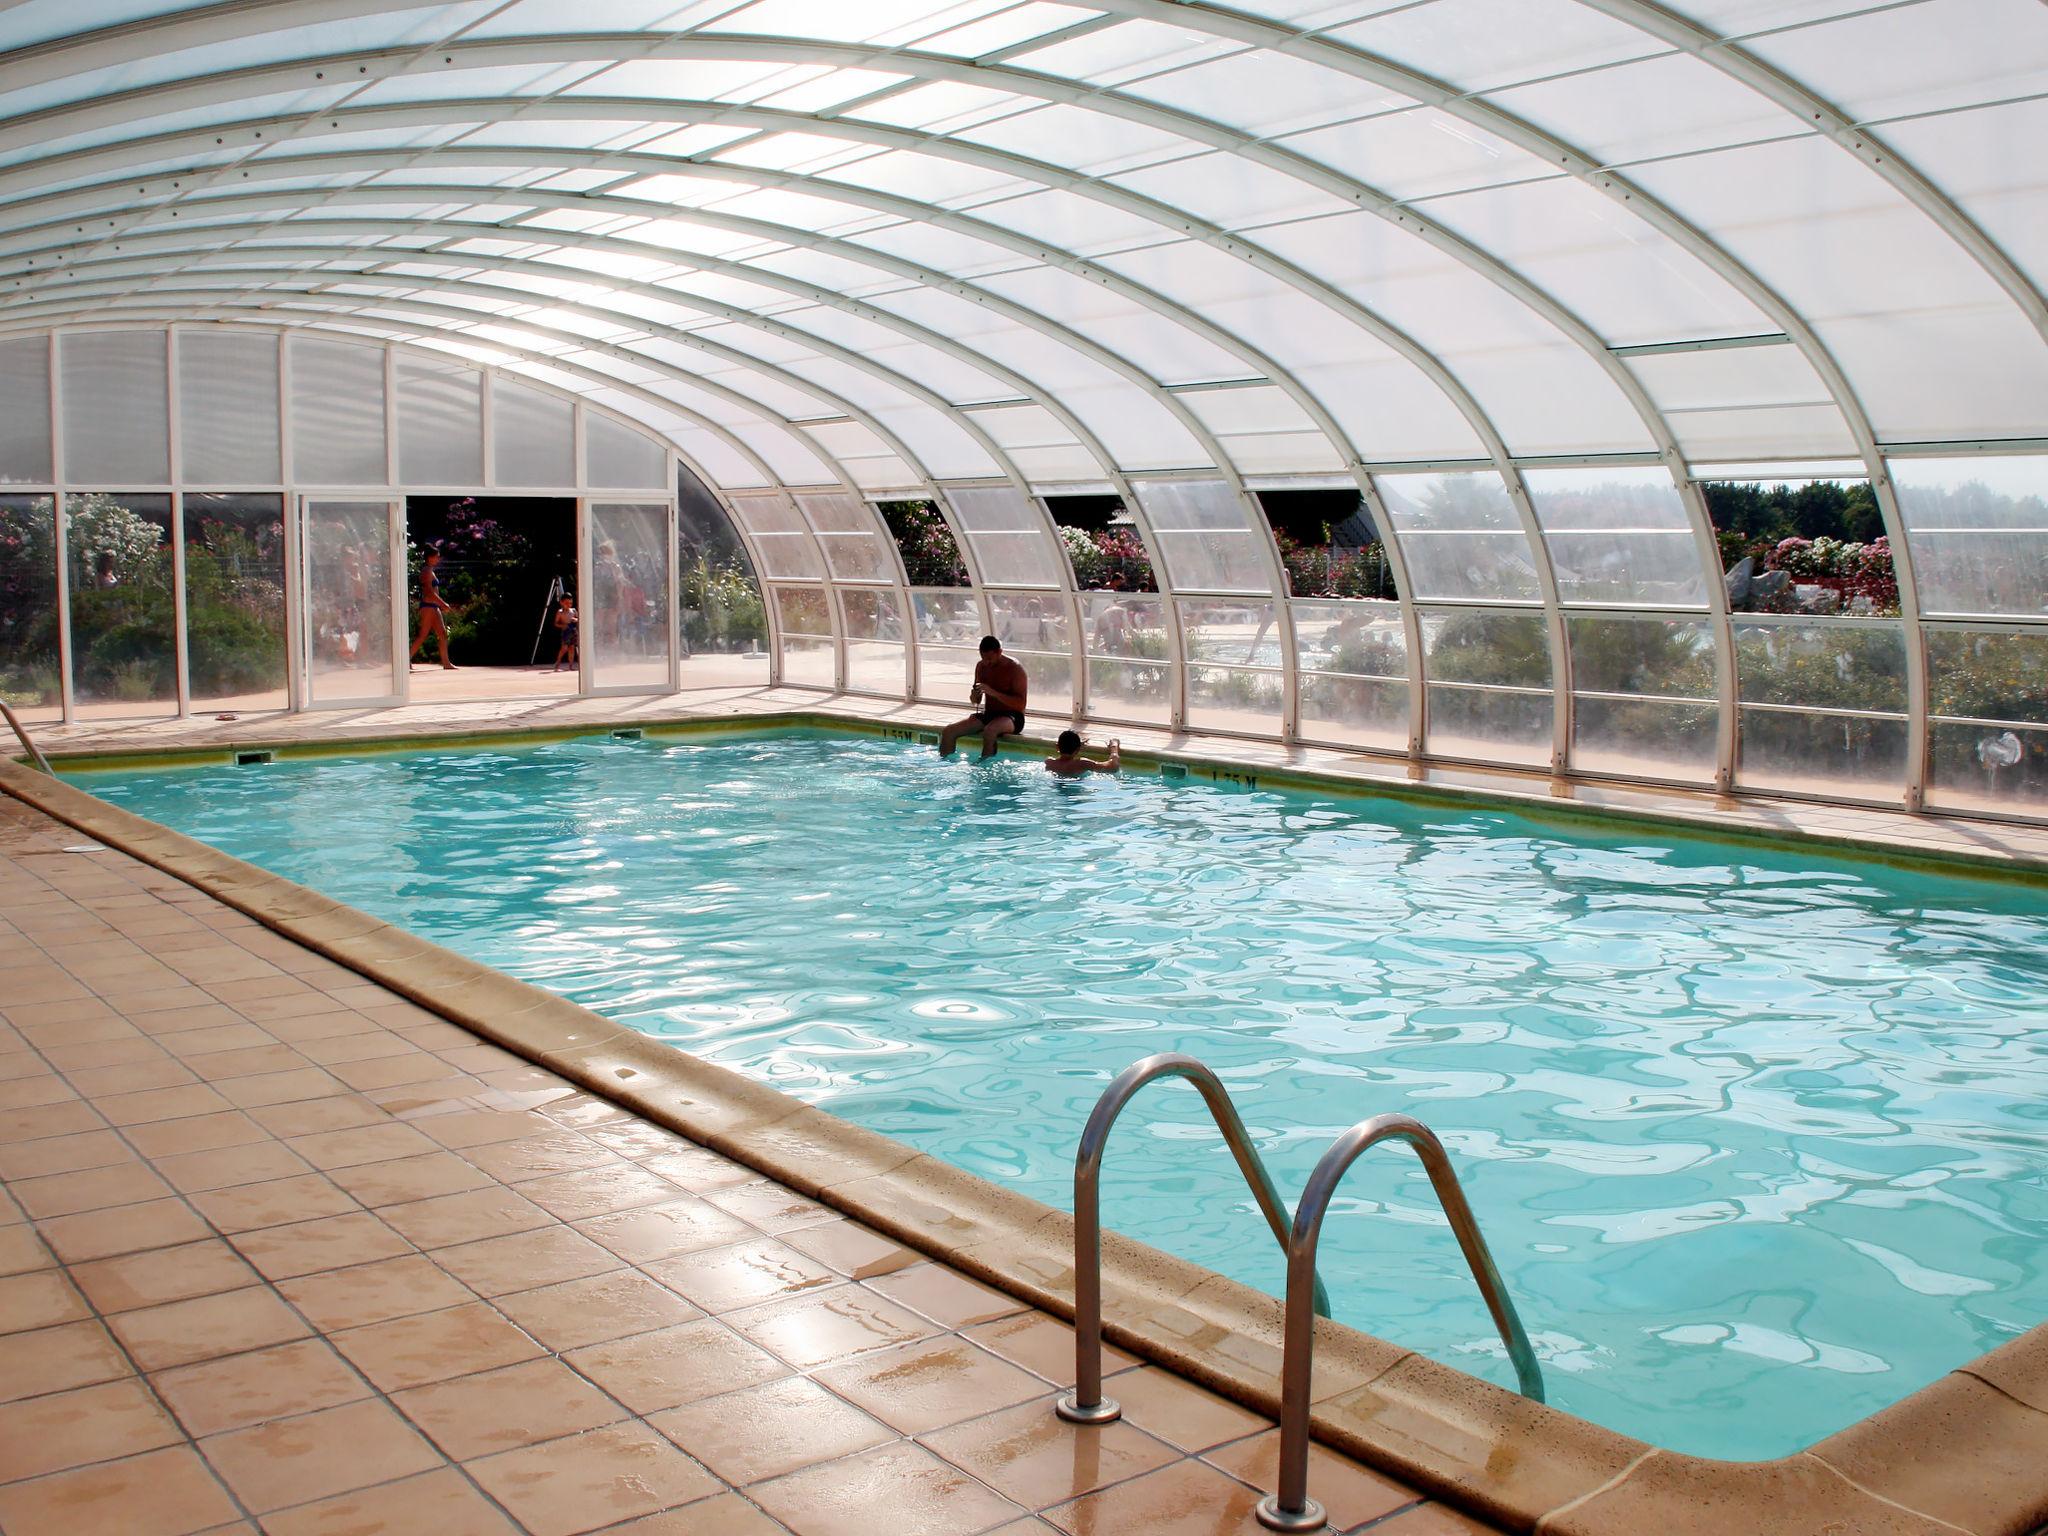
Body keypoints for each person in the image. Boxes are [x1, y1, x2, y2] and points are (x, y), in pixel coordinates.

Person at [939, 635, 1029, 760]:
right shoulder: (981, 666)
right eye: (983, 658)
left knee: (990, 731)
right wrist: (975, 695)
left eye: (990, 659)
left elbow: (1021, 704)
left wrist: (994, 693)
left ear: (1000, 652)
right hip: (990, 713)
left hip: (1012, 716)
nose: (987, 662)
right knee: (949, 731)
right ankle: (945, 766)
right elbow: (975, 701)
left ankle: (984, 770)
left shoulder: (1014, 668)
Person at [408, 547, 457, 669]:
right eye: (436, 556)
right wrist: (443, 603)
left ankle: (446, 663)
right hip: (428, 606)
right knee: (423, 635)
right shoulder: (426, 571)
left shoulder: (430, 570)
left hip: (434, 606)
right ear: (430, 557)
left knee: (442, 633)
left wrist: (439, 604)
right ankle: (406, 658)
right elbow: (429, 592)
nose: (438, 558)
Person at [1045, 730, 1119, 778]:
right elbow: (1113, 768)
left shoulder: (1049, 762)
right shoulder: (1082, 764)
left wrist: (1078, 746)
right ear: (1078, 749)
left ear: (1057, 747)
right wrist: (1114, 748)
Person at [551, 593, 579, 672]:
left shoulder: (573, 610)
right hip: (566, 632)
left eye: (570, 603)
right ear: (561, 603)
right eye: (566, 603)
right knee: (564, 648)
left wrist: (576, 620)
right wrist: (562, 625)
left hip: (573, 631)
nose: (569, 605)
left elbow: (579, 619)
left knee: (572, 648)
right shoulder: (560, 612)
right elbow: (556, 623)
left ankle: (570, 666)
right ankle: (558, 662)